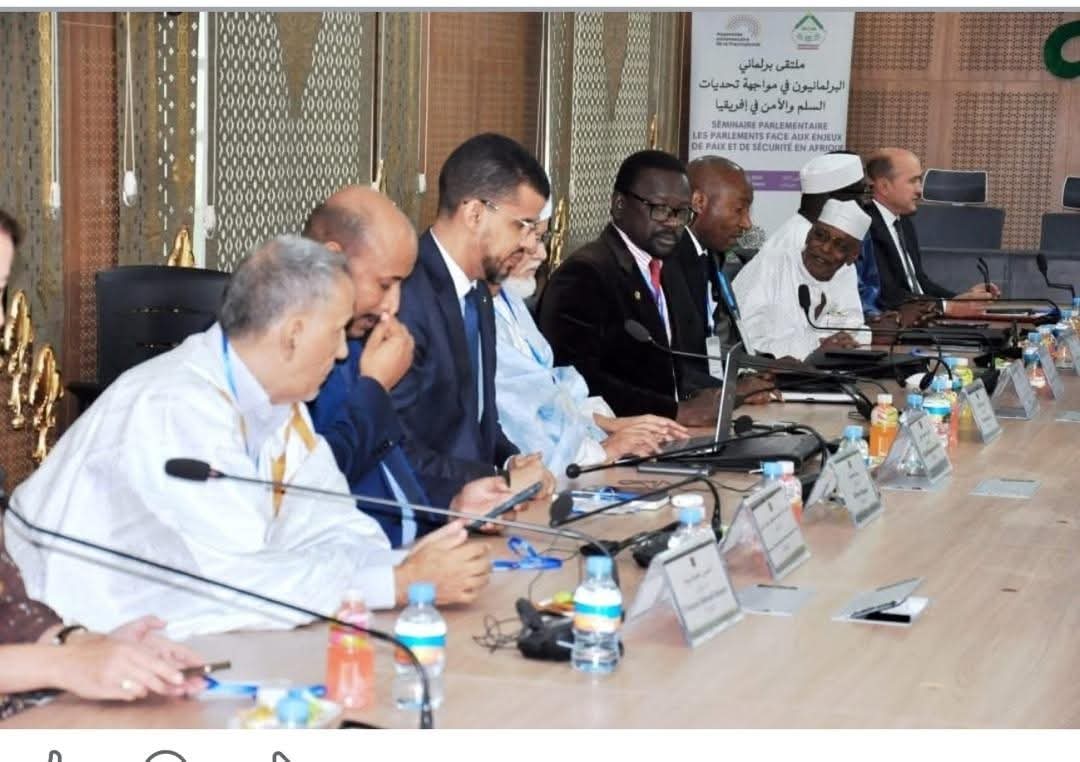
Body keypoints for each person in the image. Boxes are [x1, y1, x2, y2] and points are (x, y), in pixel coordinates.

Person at [5, 236, 489, 640]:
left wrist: (401, 564)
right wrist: (394, 583)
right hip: (63, 639)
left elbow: (334, 525)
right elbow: (237, 583)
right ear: (294, 334)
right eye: (338, 332)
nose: (345, 352)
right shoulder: (177, 407)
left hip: (192, 634)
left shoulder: (277, 403)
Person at [305, 186, 538, 547]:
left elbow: (392, 461)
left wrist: (452, 504)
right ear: (333, 262)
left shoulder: (356, 341)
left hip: (413, 546)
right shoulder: (291, 354)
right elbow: (315, 480)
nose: (393, 305)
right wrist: (374, 388)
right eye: (385, 285)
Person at [391, 133, 556, 509]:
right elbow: (396, 446)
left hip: (482, 510)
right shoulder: (406, 295)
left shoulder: (479, 293)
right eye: (523, 226)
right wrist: (499, 480)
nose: (531, 245)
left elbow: (479, 418)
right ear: (475, 214)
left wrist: (510, 461)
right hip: (427, 517)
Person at [491, 201, 689, 476]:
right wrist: (603, 451)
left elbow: (554, 391)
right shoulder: (476, 310)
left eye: (542, 238)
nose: (543, 253)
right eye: (534, 237)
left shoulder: (509, 299)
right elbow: (523, 422)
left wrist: (612, 425)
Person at [537, 150, 724, 426]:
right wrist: (675, 412)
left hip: (669, 433)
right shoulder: (584, 275)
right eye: (660, 209)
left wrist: (729, 390)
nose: (673, 223)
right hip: (611, 438)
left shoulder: (664, 267)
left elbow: (671, 367)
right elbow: (574, 380)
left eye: (682, 212)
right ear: (619, 204)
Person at [864, 147, 1000, 322]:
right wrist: (948, 307)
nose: (920, 190)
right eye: (912, 181)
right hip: (892, 326)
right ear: (884, 186)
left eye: (919, 180)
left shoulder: (903, 222)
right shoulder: (866, 225)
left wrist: (961, 300)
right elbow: (887, 294)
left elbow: (920, 283)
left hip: (921, 319)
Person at [733, 200, 872, 361]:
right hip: (765, 371)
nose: (825, 248)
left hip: (822, 371)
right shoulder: (769, 265)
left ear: (852, 256)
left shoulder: (845, 272)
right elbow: (746, 344)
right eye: (820, 236)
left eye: (840, 246)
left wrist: (863, 335)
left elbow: (851, 326)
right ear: (808, 235)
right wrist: (816, 347)